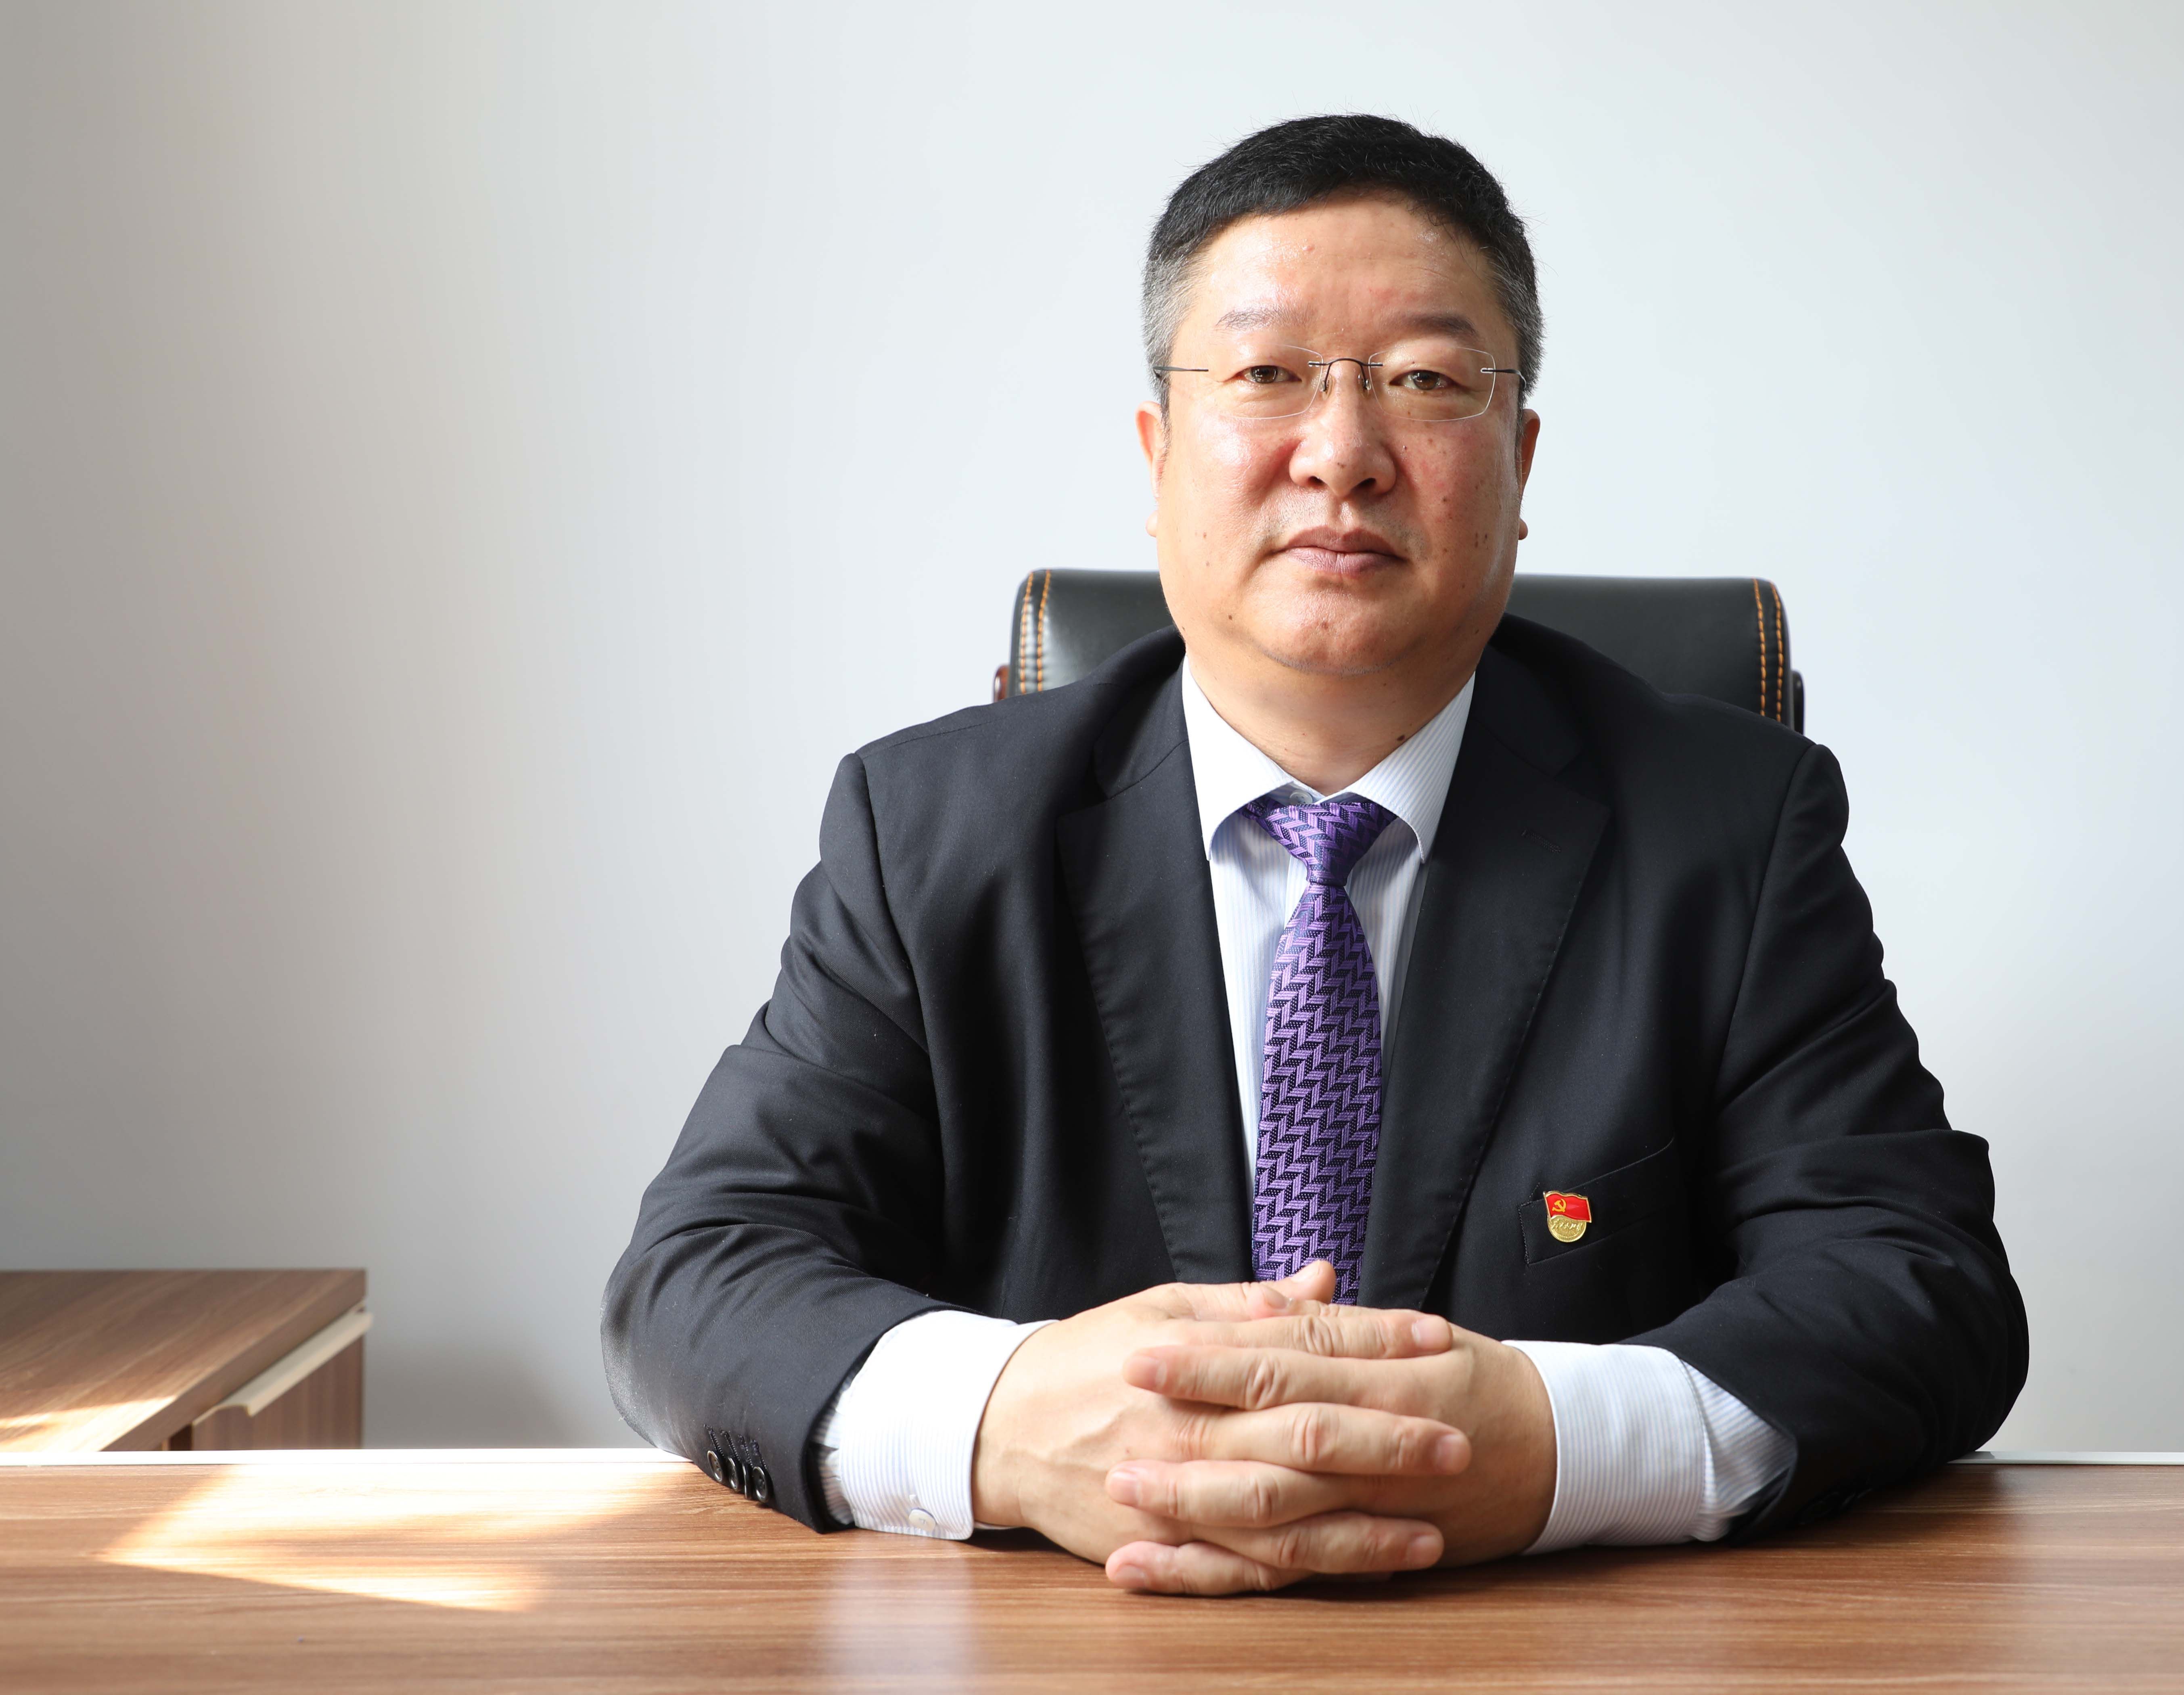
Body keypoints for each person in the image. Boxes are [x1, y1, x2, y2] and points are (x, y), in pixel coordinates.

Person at [604, 113, 2026, 1597]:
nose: (1342, 454)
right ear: (1158, 455)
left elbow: (1916, 1286)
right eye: (1267, 375)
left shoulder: (1727, 829)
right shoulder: (929, 832)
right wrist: (1011, 1426)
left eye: (1425, 382)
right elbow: (701, 1277)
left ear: (1520, 458)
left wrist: (1557, 1444)